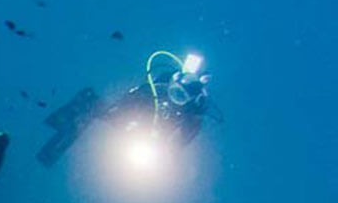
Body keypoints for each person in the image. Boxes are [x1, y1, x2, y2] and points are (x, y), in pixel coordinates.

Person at [37, 51, 220, 166]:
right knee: (94, 104)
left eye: (180, 96)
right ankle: (58, 126)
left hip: (154, 135)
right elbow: (132, 99)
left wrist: (163, 149)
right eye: (174, 91)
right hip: (137, 115)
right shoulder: (158, 89)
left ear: (190, 101)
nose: (173, 97)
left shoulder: (192, 116)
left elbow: (180, 142)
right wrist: (127, 119)